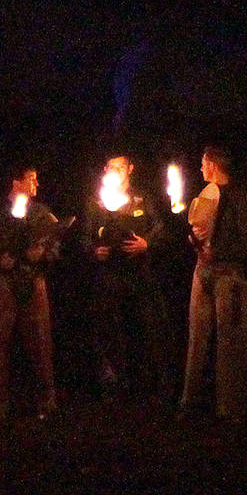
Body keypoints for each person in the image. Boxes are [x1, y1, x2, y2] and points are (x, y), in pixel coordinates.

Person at [179, 145, 247, 421]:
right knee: (197, 338)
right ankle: (190, 403)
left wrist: (220, 251)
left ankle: (231, 409)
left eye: (204, 163)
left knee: (230, 341)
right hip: (202, 271)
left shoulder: (240, 198)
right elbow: (199, 232)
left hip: (229, 275)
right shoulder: (205, 197)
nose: (201, 168)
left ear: (214, 165)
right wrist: (194, 240)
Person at [84, 156, 176, 403]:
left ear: (130, 169)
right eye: (111, 167)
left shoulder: (142, 198)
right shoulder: (97, 201)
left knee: (147, 329)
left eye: (121, 166)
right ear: (105, 170)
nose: (116, 171)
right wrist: (95, 250)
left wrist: (147, 243)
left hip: (140, 276)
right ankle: (114, 386)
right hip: (110, 277)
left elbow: (161, 229)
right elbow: (85, 237)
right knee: (109, 331)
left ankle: (150, 386)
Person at [0, 165, 62, 419]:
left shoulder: (42, 213)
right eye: (31, 179)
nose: (36, 184)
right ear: (16, 183)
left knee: (40, 341)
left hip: (33, 279)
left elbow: (56, 243)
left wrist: (43, 255)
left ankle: (45, 402)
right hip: (3, 281)